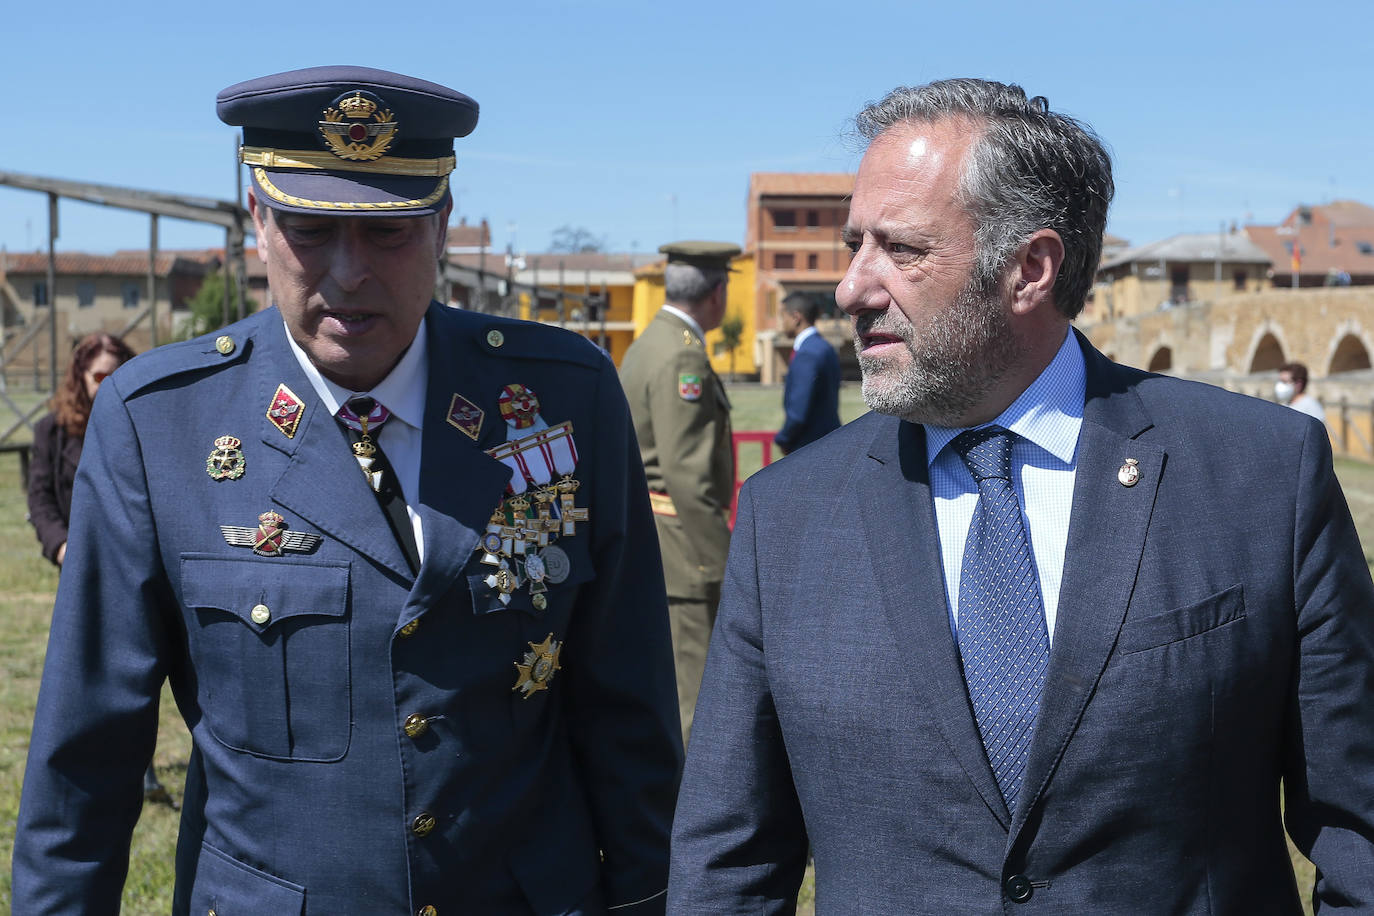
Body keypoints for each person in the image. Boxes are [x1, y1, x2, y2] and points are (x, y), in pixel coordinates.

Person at [669, 78, 1374, 912]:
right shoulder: (786, 520)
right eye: (854, 243)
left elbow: (1358, 829)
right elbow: (728, 864)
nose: (853, 288)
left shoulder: (1261, 472)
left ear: (1030, 269)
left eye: (900, 250)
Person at [14, 66, 681, 915]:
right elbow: (87, 754)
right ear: (258, 223)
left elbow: (631, 717)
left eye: (388, 233)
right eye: (308, 229)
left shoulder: (562, 398)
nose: (348, 271)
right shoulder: (160, 425)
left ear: (442, 225)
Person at [618, 241, 738, 745]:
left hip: (659, 541)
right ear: (717, 293)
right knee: (694, 702)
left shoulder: (652, 342)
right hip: (685, 551)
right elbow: (689, 476)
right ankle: (688, 819)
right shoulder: (680, 357)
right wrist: (724, 562)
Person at [26, 333, 135, 568]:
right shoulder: (51, 431)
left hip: (133, 559)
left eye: (117, 376)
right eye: (100, 376)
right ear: (80, 377)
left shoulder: (142, 425)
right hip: (80, 559)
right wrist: (61, 546)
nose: (109, 384)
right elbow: (40, 498)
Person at [773, 292, 841, 454]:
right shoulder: (825, 347)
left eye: (783, 317)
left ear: (796, 317)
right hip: (829, 440)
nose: (781, 323)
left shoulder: (807, 353)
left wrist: (784, 439)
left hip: (809, 446)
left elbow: (798, 412)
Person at [1277, 361, 1327, 426]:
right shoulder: (1286, 403)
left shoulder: (1311, 405)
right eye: (1280, 381)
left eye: (1284, 382)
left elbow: (1318, 432)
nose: (1280, 385)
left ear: (1298, 384)